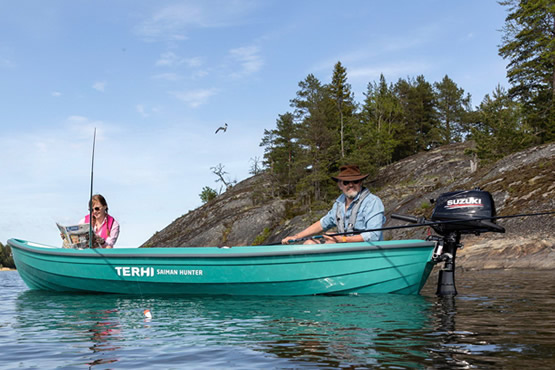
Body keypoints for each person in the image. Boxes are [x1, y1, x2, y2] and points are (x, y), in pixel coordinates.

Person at [282, 165, 385, 245]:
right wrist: (296, 236)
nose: (351, 185)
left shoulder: (373, 202)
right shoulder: (339, 204)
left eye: (355, 181)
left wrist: (343, 239)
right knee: (309, 243)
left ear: (360, 183)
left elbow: (374, 235)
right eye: (346, 182)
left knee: (330, 243)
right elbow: (323, 224)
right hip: (345, 249)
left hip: (366, 251)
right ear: (340, 185)